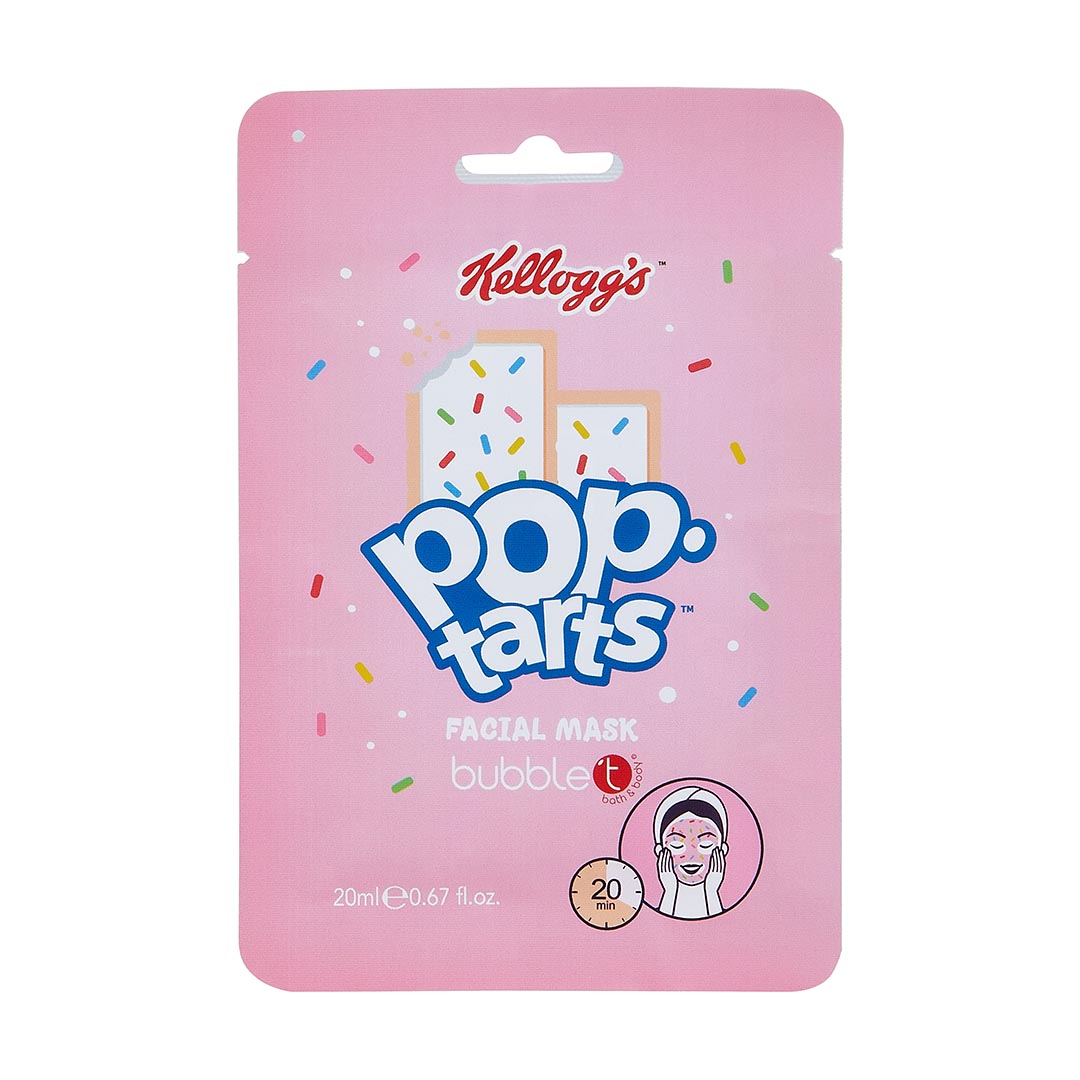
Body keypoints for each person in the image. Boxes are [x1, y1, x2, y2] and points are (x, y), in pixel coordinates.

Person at [653, 785, 728, 919]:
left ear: (722, 850)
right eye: (677, 845)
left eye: (705, 845)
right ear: (660, 851)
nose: (691, 856)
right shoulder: (668, 895)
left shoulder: (713, 894)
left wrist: (712, 892)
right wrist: (669, 891)